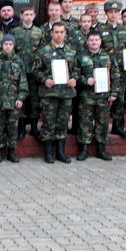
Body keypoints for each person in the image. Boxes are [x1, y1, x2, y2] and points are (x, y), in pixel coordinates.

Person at [34, 22, 80, 164]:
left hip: (66, 93)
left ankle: (60, 151)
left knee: (63, 122)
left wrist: (74, 79)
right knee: (49, 122)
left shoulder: (71, 51)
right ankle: (48, 152)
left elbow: (77, 69)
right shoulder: (43, 51)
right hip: (50, 93)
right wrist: (44, 79)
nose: (59, 35)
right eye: (56, 32)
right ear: (51, 33)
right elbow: (35, 70)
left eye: (61, 32)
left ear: (65, 33)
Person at [76, 30, 120, 161]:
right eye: (91, 40)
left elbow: (116, 75)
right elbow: (74, 75)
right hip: (87, 96)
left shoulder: (108, 57)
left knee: (103, 123)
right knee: (85, 122)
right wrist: (85, 81)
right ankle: (83, 149)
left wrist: (114, 93)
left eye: (96, 40)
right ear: (87, 41)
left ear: (100, 41)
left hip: (104, 96)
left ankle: (101, 149)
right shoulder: (81, 57)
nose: (94, 42)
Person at [0, 34, 28, 163]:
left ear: (14, 46)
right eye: (5, 44)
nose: (8, 46)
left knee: (13, 127)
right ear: (2, 45)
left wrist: (20, 98)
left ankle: (11, 152)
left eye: (10, 44)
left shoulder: (18, 61)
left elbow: (23, 81)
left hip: (13, 101)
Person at [96, 0, 126, 138]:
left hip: (122, 70)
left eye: (116, 12)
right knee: (103, 98)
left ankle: (117, 125)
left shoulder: (125, 30)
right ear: (106, 13)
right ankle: (100, 126)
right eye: (110, 12)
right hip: (105, 69)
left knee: (120, 98)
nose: (113, 15)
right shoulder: (100, 30)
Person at [12, 7, 43, 139]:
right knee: (22, 100)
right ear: (21, 15)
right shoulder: (15, 31)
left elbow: (42, 50)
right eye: (26, 14)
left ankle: (34, 128)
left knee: (34, 100)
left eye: (31, 14)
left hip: (34, 71)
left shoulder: (39, 31)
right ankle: (22, 128)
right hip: (20, 71)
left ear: (34, 15)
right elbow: (11, 50)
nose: (29, 17)